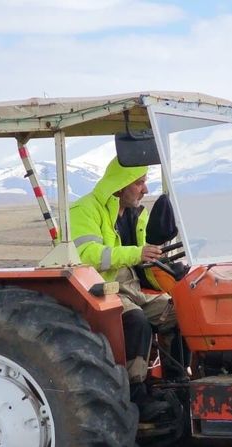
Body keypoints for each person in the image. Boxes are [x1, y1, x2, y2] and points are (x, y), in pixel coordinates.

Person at [69, 157, 179, 420]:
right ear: (120, 185)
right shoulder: (84, 210)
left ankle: (176, 384)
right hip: (101, 288)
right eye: (139, 183)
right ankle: (136, 394)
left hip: (133, 287)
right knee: (136, 320)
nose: (145, 190)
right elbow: (86, 254)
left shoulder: (137, 214)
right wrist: (137, 253)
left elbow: (146, 257)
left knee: (181, 311)